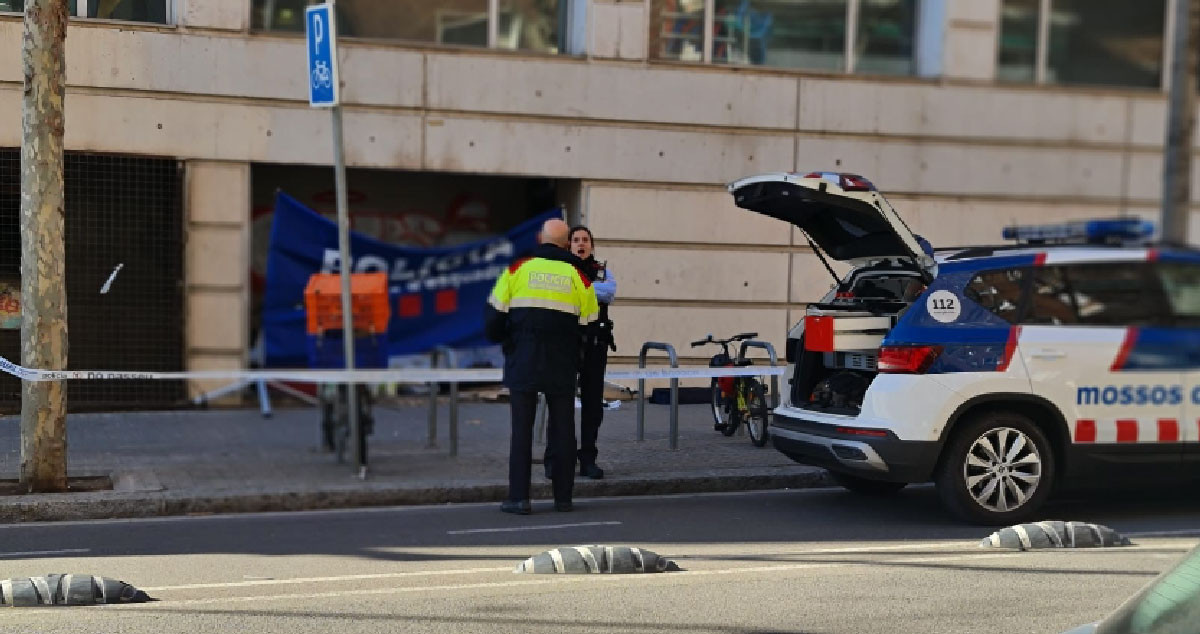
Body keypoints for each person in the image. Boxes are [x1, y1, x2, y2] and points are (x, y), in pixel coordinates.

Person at [484, 218, 599, 515]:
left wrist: (509, 342)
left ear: (540, 238)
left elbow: (493, 319)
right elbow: (590, 324)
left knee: (521, 430)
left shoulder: (517, 269)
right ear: (565, 243)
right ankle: (563, 498)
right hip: (562, 363)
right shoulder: (579, 277)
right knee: (563, 430)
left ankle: (519, 498)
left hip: (523, 360)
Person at [544, 225, 617, 480]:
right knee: (559, 402)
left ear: (592, 245)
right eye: (576, 239)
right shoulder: (562, 269)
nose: (581, 244)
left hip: (596, 345)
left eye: (585, 240)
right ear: (567, 244)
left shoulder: (601, 271)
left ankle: (588, 459)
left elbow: (609, 292)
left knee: (593, 405)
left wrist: (579, 288)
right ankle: (554, 459)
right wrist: (585, 289)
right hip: (567, 344)